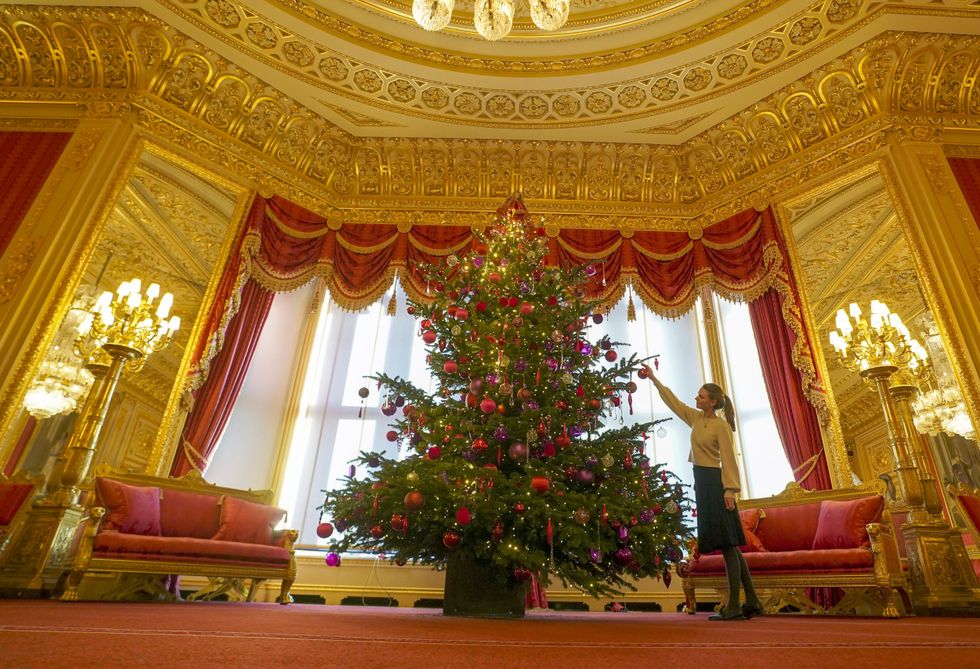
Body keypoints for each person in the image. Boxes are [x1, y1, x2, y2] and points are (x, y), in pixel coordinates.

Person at [643, 365, 763, 621]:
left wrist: (729, 491)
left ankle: (734, 605)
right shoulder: (696, 419)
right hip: (702, 481)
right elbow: (674, 402)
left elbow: (729, 460)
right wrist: (654, 379)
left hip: (716, 484)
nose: (696, 398)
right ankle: (752, 601)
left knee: (728, 544)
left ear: (713, 402)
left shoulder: (721, 426)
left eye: (701, 396)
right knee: (729, 544)